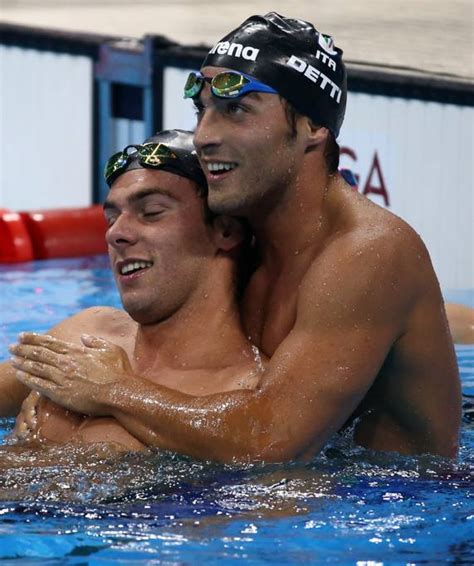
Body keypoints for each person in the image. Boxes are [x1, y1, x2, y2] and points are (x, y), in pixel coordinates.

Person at [10, 13, 461, 461]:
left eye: (236, 110)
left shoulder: (367, 252)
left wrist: (113, 391)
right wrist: (52, 393)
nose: (205, 134)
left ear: (312, 127)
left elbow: (267, 439)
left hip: (390, 500)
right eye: (201, 110)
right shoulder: (248, 230)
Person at [4, 129, 263, 451]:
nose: (116, 234)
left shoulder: (247, 397)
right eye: (112, 218)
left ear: (225, 230)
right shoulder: (86, 334)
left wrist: (114, 392)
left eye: (152, 212)